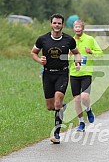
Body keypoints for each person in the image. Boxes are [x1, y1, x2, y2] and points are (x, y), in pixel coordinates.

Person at [31, 13, 81, 144]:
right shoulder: (43, 39)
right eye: (55, 23)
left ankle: (56, 134)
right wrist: (39, 60)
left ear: (62, 25)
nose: (57, 25)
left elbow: (77, 53)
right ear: (51, 24)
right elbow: (33, 52)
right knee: (50, 106)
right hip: (47, 74)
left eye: (59, 23)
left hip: (62, 74)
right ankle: (61, 108)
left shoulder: (69, 40)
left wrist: (77, 62)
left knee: (57, 101)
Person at [69, 20, 103, 132]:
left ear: (83, 28)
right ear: (73, 28)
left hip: (86, 73)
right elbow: (66, 58)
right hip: (74, 73)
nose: (77, 29)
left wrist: (91, 52)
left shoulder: (90, 39)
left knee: (84, 97)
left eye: (79, 27)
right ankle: (81, 122)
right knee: (77, 100)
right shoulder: (71, 41)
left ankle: (88, 109)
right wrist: (69, 55)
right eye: (75, 27)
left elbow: (100, 53)